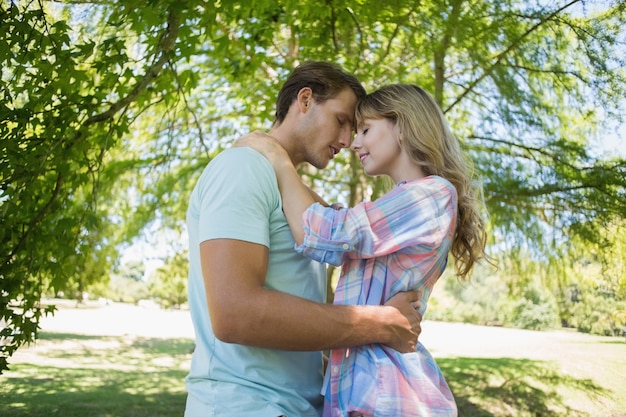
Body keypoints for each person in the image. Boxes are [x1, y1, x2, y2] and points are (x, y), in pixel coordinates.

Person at [184, 62, 423, 417]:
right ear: (306, 100)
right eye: (342, 121)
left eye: (355, 129)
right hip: (246, 406)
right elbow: (234, 314)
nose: (347, 141)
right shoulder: (242, 168)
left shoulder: (295, 196)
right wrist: (381, 323)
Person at [236, 83, 490, 416]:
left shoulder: (432, 195)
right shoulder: (404, 202)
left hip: (387, 393)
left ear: (402, 126)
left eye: (365, 130)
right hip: (361, 390)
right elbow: (341, 222)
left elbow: (326, 232)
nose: (354, 143)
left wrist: (277, 159)